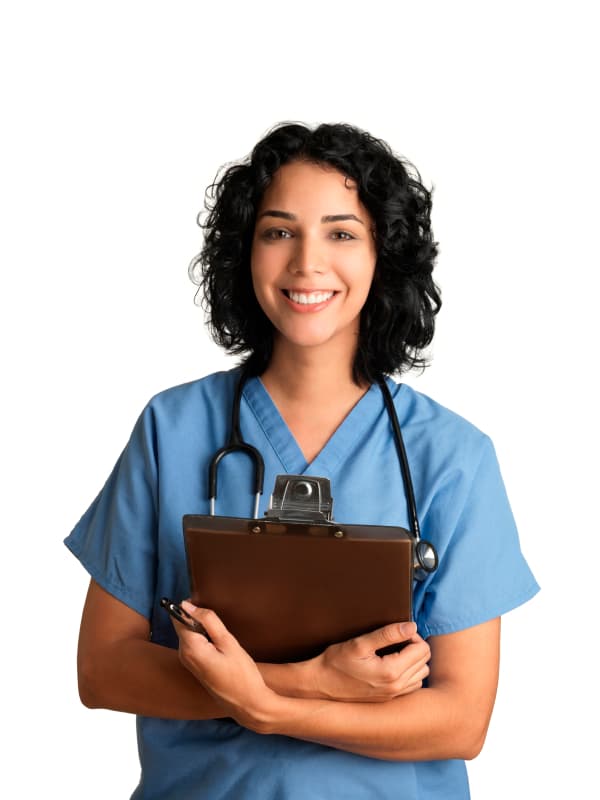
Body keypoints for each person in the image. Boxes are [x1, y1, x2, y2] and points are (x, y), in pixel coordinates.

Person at [65, 122, 539, 799]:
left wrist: (269, 707)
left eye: (341, 233)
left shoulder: (452, 459)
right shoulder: (172, 430)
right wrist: (309, 681)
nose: (306, 263)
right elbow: (103, 670)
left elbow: (461, 721)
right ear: (246, 251)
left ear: (385, 256)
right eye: (278, 231)